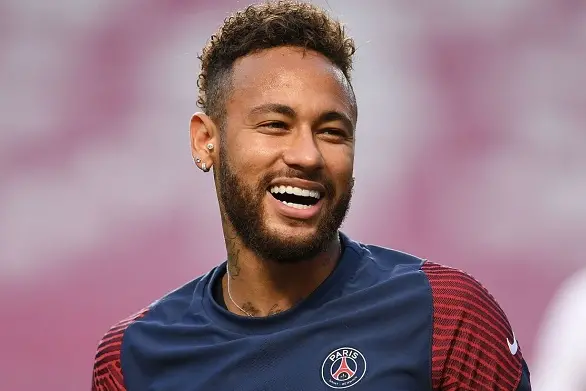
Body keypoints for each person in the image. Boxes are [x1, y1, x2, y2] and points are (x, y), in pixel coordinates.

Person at [91, 2, 531, 390]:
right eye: (275, 125)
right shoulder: (132, 359)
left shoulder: (445, 317)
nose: (307, 155)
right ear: (206, 139)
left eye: (332, 132)